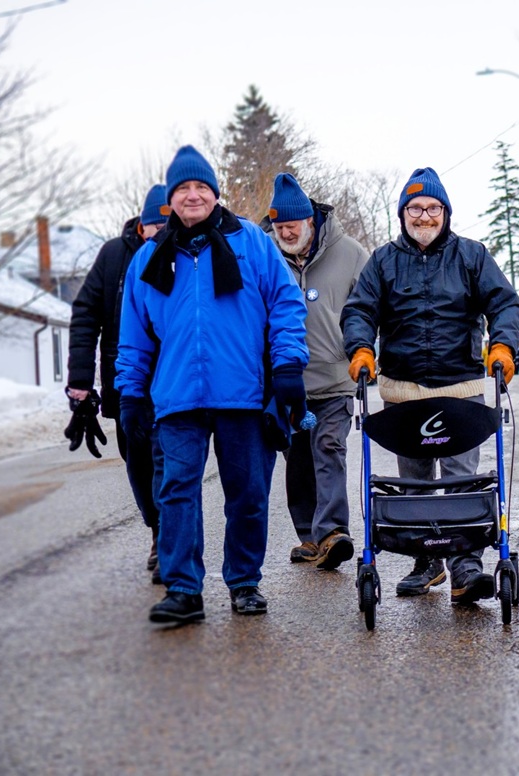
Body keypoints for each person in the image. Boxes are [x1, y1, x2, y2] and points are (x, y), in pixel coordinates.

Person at [116, 145, 310, 623]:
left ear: (215, 193)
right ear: (171, 200)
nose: (193, 195)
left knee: (247, 492)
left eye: (201, 186)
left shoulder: (252, 243)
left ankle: (244, 582)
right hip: (177, 396)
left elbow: (286, 307)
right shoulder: (147, 259)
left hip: (242, 391)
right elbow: (134, 337)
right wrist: (130, 394)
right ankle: (184, 589)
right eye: (183, 188)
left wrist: (287, 369)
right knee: (176, 491)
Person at [341, 167, 519, 605]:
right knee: (415, 483)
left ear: (445, 212)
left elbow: (504, 303)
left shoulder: (471, 256)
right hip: (403, 392)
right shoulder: (383, 261)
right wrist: (361, 349)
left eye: (433, 208)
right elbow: (359, 310)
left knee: (462, 480)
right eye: (416, 208)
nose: (425, 216)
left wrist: (502, 346)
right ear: (403, 213)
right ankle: (426, 562)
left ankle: (466, 565)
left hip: (460, 389)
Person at [262, 172, 369, 570]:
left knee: (329, 447)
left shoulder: (351, 253)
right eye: (279, 226)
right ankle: (309, 536)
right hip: (287, 383)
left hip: (338, 380)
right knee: (299, 459)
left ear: (311, 220)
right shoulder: (265, 256)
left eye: (292, 225)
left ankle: (332, 533)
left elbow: (373, 307)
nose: (286, 232)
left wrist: (369, 352)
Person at [66, 184, 169, 583]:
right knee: (138, 463)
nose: (159, 230)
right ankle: (157, 527)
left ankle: (168, 539)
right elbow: (85, 315)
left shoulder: (183, 253)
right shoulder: (113, 255)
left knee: (169, 461)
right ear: (140, 226)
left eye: (165, 223)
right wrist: (79, 380)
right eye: (152, 224)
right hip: (125, 384)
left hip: (174, 382)